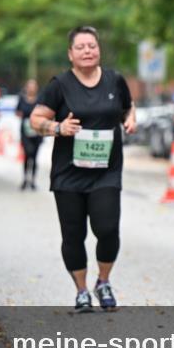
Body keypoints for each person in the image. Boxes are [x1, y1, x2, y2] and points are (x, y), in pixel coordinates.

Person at [30, 26, 137, 312]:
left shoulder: (115, 81)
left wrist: (130, 119)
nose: (87, 51)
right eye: (81, 47)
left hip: (106, 171)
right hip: (69, 174)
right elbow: (36, 119)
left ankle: (103, 281)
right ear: (70, 54)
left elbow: (128, 106)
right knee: (73, 234)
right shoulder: (59, 85)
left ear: (98, 49)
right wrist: (58, 127)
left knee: (108, 228)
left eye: (92, 46)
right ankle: (81, 291)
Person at [16, 79, 43, 190]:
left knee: (35, 157)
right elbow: (17, 112)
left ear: (36, 88)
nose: (31, 88)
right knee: (28, 154)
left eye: (33, 86)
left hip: (38, 130)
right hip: (25, 131)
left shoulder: (41, 99)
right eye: (29, 86)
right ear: (26, 87)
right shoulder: (22, 99)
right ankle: (25, 179)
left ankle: (32, 180)